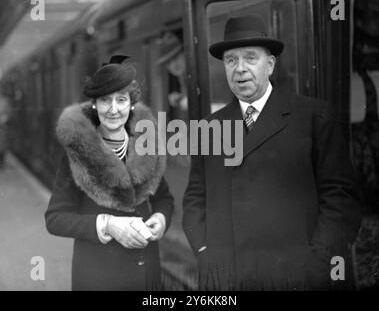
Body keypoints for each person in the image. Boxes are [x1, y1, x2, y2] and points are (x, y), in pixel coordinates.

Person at [182, 15, 361, 290]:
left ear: (271, 64)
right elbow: (195, 198)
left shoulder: (312, 116)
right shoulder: (208, 127)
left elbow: (340, 197)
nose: (239, 69)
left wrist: (320, 257)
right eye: (231, 60)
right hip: (231, 279)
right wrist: (204, 250)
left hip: (299, 277)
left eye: (250, 58)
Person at [45, 55, 174, 290]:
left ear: (131, 104)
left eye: (121, 100)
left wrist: (160, 219)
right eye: (105, 101)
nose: (113, 109)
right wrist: (107, 225)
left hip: (146, 275)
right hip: (98, 277)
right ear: (94, 105)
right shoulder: (77, 153)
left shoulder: (146, 146)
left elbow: (164, 198)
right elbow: (54, 219)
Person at [157, 31, 188, 121]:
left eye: (176, 57)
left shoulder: (196, 72)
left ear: (185, 53)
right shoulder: (182, 76)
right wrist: (181, 97)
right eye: (168, 63)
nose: (173, 65)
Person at [0, 94, 10, 168]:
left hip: (2, 127)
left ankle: (2, 161)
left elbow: (8, 112)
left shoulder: (4, 101)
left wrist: (5, 118)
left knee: (2, 144)